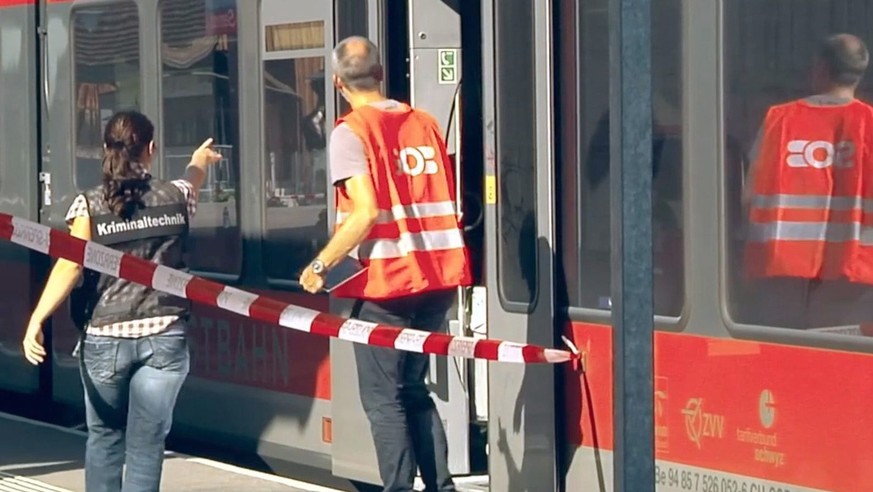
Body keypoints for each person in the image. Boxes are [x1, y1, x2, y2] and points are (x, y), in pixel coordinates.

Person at [299, 36, 472, 492]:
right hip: (436, 282)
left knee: (383, 399)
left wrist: (321, 265)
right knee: (415, 389)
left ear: (337, 83)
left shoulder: (350, 132)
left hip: (386, 287)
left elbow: (365, 211)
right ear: (380, 74)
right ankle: (441, 487)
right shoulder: (427, 124)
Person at [22, 110, 222, 492]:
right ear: (151, 149)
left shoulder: (88, 205)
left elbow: (69, 266)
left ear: (104, 149)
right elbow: (192, 178)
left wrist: (36, 320)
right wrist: (200, 159)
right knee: (148, 446)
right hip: (165, 334)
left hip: (104, 338)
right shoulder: (177, 197)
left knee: (105, 439)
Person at [743, 33, 873, 328]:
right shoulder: (871, 124)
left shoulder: (779, 120)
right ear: (859, 74)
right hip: (854, 275)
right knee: (838, 361)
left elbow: (749, 196)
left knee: (782, 359)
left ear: (820, 68)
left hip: (781, 271)